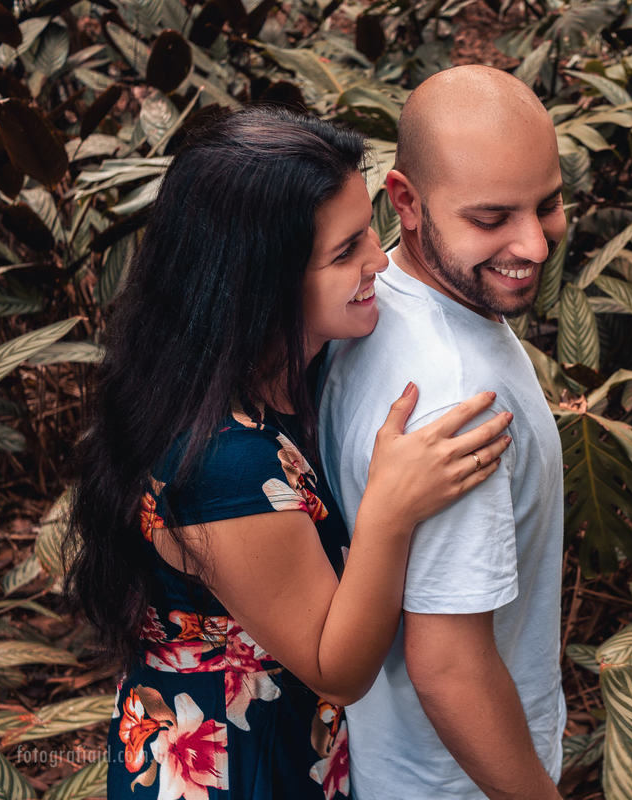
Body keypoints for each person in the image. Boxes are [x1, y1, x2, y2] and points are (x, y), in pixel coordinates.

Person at [66, 107, 514, 800]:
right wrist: (390, 512)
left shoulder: (281, 368)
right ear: (259, 287)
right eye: (344, 254)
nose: (377, 262)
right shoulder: (222, 464)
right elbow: (335, 668)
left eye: (370, 230)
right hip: (233, 771)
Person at [319, 66, 567, 800]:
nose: (535, 245)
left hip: (385, 762)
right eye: (491, 219)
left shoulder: (370, 300)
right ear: (406, 201)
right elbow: (450, 669)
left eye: (548, 204)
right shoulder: (457, 398)